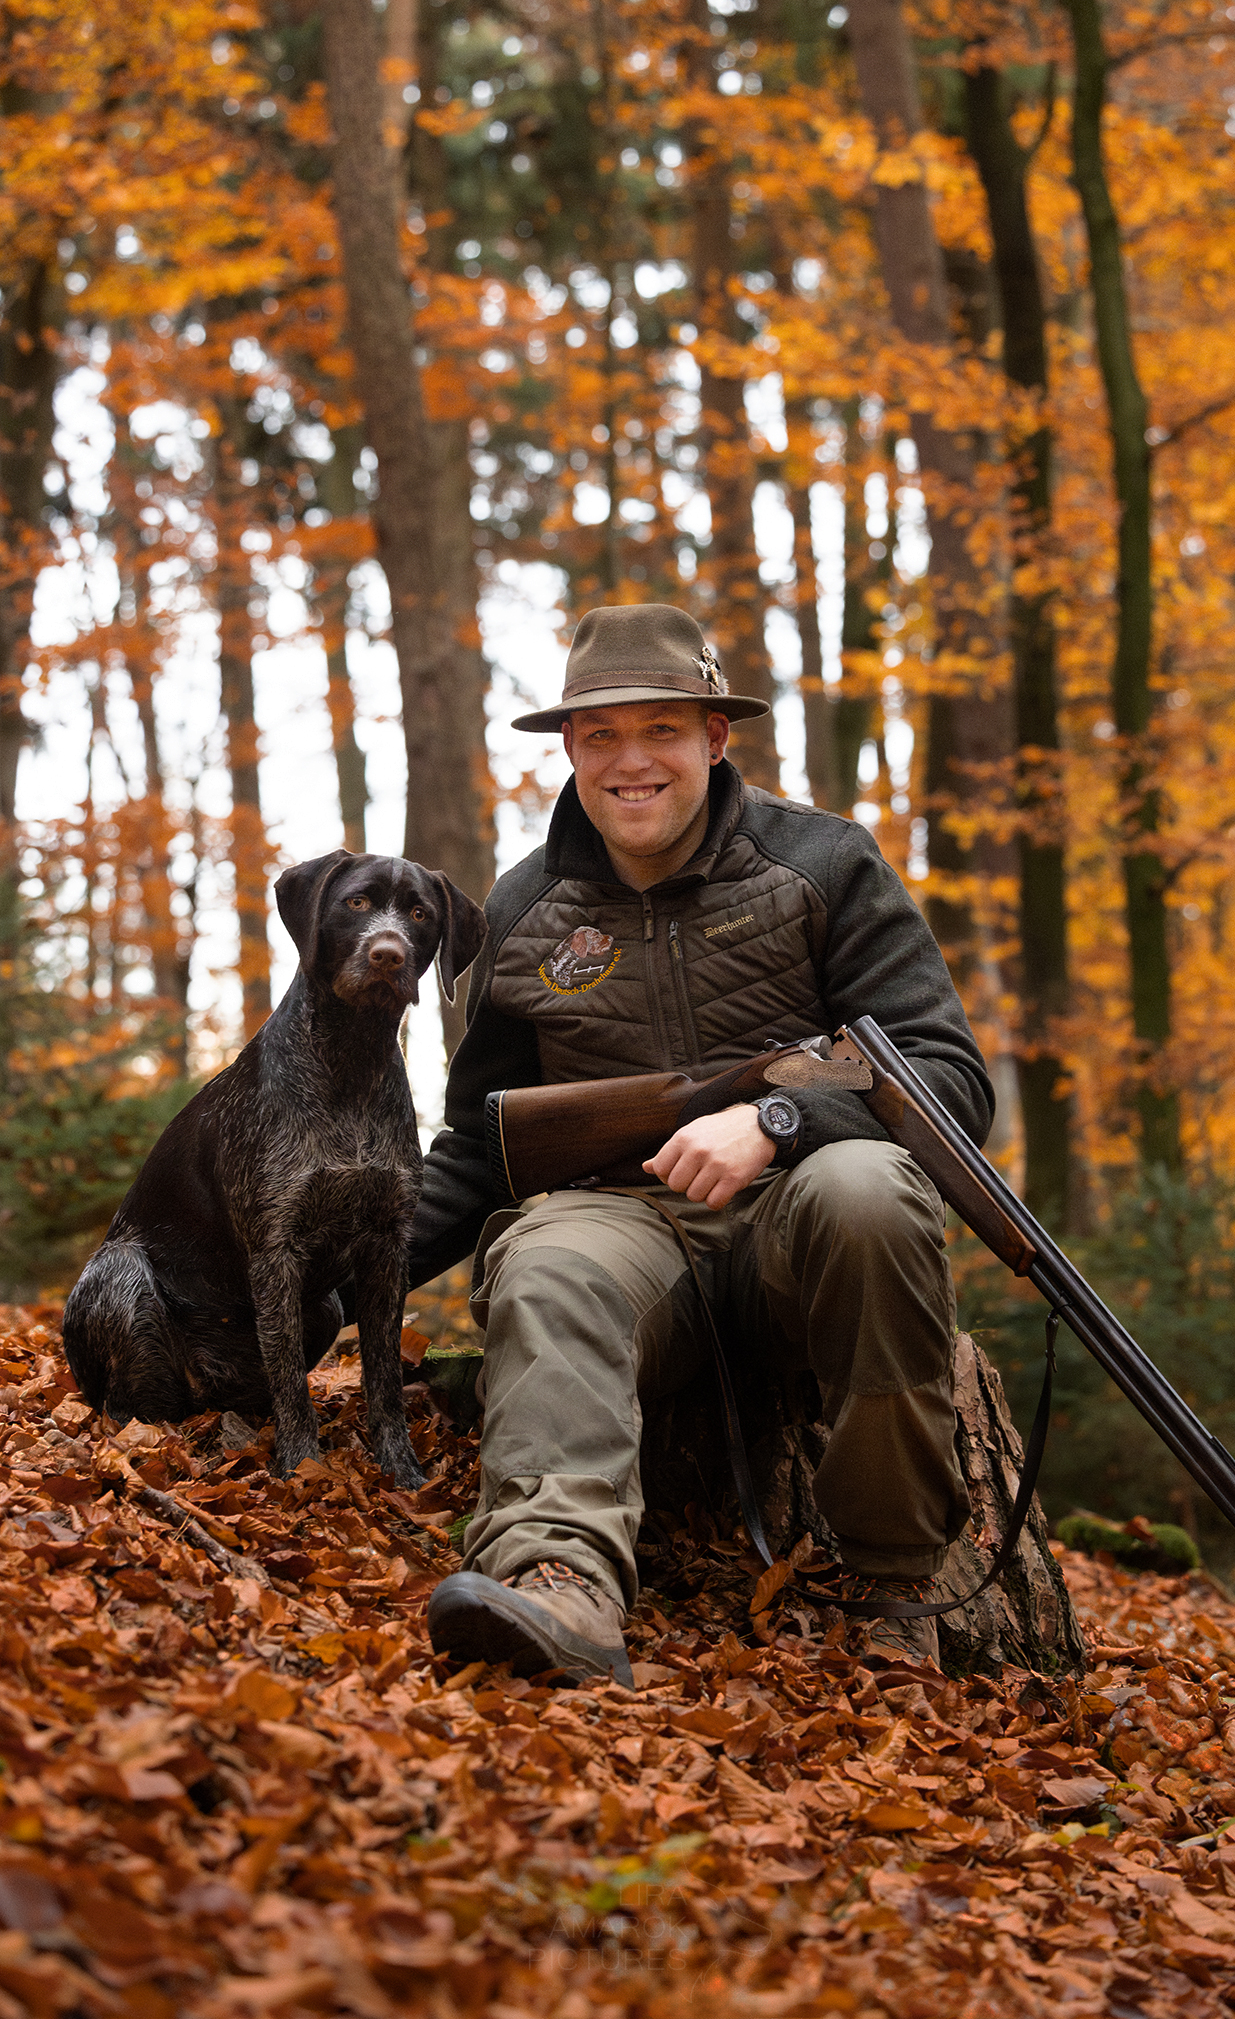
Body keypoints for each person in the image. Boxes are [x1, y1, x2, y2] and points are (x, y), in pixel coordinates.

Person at [417, 603, 994, 1684]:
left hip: (802, 1224)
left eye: (663, 730)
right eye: (602, 736)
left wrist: (777, 1120)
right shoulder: (524, 906)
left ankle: (896, 1586)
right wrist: (335, 1267)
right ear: (571, 750)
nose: (632, 761)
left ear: (715, 739)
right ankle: (561, 1584)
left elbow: (946, 1079)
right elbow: (479, 1144)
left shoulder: (824, 862)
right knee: (543, 1257)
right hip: (624, 1231)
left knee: (872, 1190)